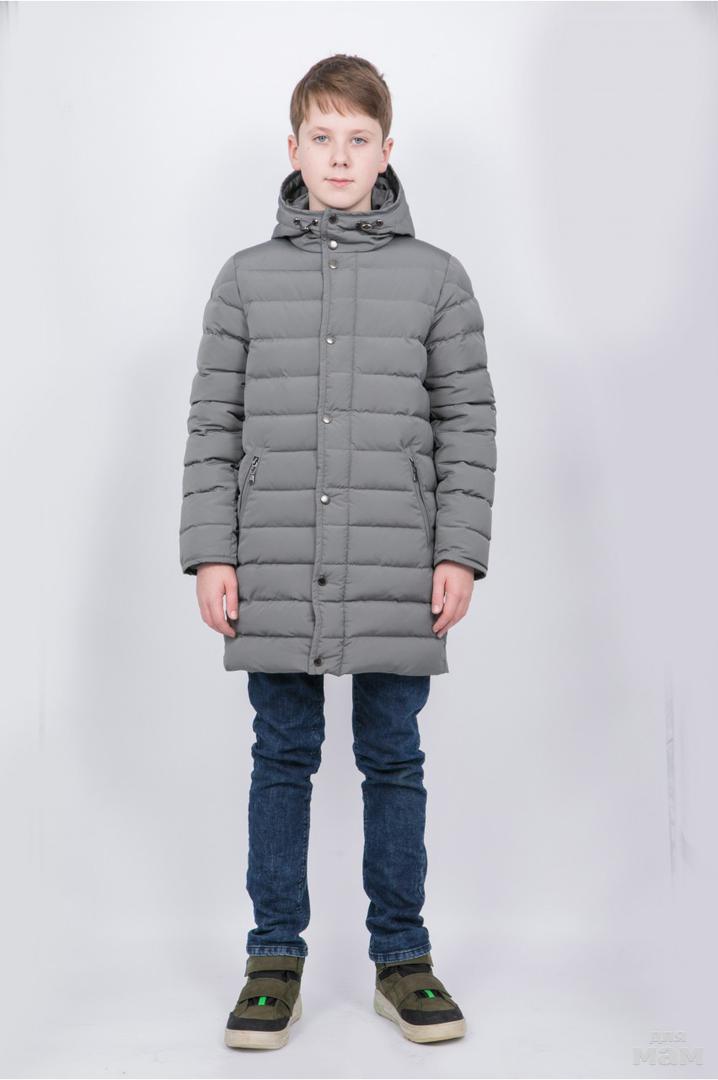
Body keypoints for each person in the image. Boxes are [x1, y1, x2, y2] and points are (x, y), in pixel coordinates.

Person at [179, 53, 497, 1050]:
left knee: (392, 758)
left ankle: (403, 958)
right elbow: (213, 425)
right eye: (322, 137)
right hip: (274, 560)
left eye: (358, 139)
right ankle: (273, 957)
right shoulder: (244, 280)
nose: (340, 156)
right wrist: (212, 554)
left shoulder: (437, 278)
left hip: (401, 562)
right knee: (281, 754)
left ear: (386, 151)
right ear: (293, 148)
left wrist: (460, 552)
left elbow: (467, 425)